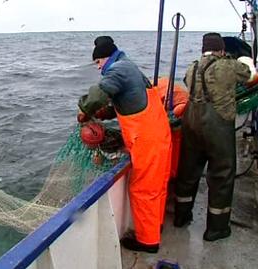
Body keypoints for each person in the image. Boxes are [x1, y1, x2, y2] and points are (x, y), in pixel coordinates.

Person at [78, 36, 172, 253]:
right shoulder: (130, 67)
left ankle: (148, 241)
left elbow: (98, 94)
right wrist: (108, 112)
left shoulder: (118, 70)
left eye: (98, 62)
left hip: (147, 140)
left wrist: (85, 110)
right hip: (159, 135)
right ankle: (155, 227)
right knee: (157, 186)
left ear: (106, 57)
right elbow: (131, 100)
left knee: (143, 189)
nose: (98, 67)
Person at [173, 33, 250, 241]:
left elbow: (190, 85)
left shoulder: (192, 67)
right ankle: (216, 228)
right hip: (218, 128)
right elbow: (249, 74)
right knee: (222, 175)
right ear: (221, 49)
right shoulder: (228, 65)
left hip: (191, 124)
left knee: (188, 172)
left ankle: (181, 216)